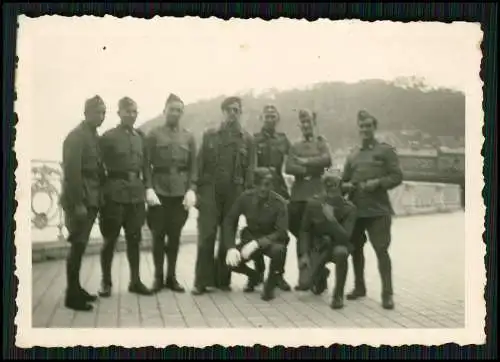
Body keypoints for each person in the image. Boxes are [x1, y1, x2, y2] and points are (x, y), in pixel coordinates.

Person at [192, 96, 256, 295]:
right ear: (223, 112)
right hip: (210, 190)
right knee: (207, 235)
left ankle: (222, 279)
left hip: (234, 192)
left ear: (240, 113)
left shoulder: (247, 139)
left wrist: (248, 197)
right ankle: (201, 282)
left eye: (236, 110)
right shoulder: (210, 135)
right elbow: (198, 163)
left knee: (227, 236)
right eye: (229, 109)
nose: (233, 113)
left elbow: (251, 170)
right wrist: (194, 189)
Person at [341, 110, 403, 310]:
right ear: (358, 129)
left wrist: (377, 183)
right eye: (362, 126)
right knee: (355, 250)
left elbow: (397, 176)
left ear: (374, 128)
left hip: (378, 211)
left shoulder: (386, 150)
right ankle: (359, 287)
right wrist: (346, 186)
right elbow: (343, 182)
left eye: (368, 126)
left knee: (381, 251)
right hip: (356, 210)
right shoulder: (352, 154)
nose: (365, 129)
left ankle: (387, 294)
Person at [97, 97, 153, 297]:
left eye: (135, 111)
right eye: (128, 111)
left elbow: (146, 166)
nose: (132, 115)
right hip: (113, 195)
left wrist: (148, 188)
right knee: (110, 240)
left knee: (134, 239)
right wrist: (103, 192)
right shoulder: (108, 137)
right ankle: (106, 282)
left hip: (136, 197)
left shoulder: (141, 138)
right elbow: (97, 166)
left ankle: (135, 281)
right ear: (119, 113)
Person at [145, 94, 197, 293]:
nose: (175, 113)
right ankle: (158, 278)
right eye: (172, 109)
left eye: (179, 110)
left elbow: (194, 166)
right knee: (158, 236)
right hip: (158, 192)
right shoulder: (153, 134)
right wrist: (148, 187)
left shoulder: (188, 136)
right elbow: (146, 164)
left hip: (180, 193)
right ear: (164, 111)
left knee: (175, 236)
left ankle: (171, 278)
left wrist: (192, 189)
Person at [60, 95, 106, 311]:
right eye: (98, 112)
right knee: (77, 245)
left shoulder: (93, 136)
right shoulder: (76, 137)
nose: (101, 116)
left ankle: (76, 288)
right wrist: (77, 203)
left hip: (92, 196)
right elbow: (72, 173)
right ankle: (72, 295)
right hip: (80, 198)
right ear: (86, 112)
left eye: (104, 112)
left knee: (81, 245)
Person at [223, 168, 289, 301]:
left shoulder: (279, 202)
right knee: (229, 262)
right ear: (254, 184)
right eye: (260, 184)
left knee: (279, 251)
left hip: (271, 241)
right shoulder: (245, 198)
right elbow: (229, 221)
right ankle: (255, 276)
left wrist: (257, 243)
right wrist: (231, 247)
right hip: (250, 237)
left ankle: (271, 284)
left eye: (267, 184)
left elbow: (281, 232)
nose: (263, 189)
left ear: (272, 185)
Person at [285, 109, 332, 290]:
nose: (305, 125)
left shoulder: (321, 143)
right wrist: (309, 169)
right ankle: (305, 275)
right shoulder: (295, 145)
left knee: (317, 234)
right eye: (302, 123)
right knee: (300, 234)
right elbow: (288, 166)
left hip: (316, 193)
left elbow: (327, 160)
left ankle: (319, 274)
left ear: (314, 124)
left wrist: (304, 162)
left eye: (308, 122)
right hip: (298, 194)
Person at [297, 173, 356, 309]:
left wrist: (332, 220)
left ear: (341, 189)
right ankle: (322, 274)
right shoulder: (313, 204)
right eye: (328, 190)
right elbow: (304, 230)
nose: (332, 193)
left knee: (341, 253)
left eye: (335, 189)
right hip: (319, 246)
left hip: (338, 245)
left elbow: (345, 237)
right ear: (324, 189)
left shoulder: (350, 208)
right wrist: (305, 254)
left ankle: (338, 295)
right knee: (304, 285)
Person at [251, 104, 291, 292]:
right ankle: (258, 273)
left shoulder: (283, 140)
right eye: (266, 116)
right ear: (261, 118)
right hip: (260, 190)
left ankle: (278, 275)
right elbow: (250, 166)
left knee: (281, 233)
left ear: (278, 119)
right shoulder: (254, 139)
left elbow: (293, 162)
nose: (269, 119)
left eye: (273, 116)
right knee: (256, 230)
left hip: (279, 190)